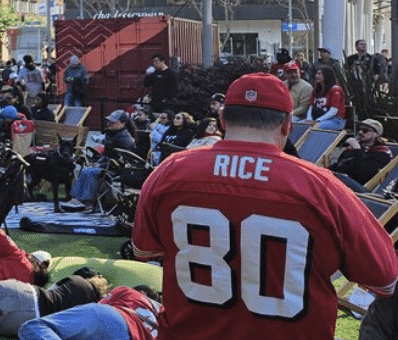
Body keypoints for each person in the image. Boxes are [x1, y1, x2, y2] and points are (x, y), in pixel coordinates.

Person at [133, 72, 398, 340]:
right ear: (287, 125)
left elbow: (145, 249)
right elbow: (384, 277)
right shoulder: (321, 188)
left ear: (223, 120)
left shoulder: (169, 173)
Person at [16, 285, 162, 340]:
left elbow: (100, 307)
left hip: (113, 317)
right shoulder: (164, 314)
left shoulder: (130, 292)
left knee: (33, 327)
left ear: (142, 292)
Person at [331, 118, 393, 191]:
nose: (360, 132)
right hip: (341, 181)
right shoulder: (356, 148)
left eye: (365, 131)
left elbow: (363, 175)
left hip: (358, 188)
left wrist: (357, 150)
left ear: (376, 134)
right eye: (359, 130)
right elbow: (340, 166)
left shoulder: (382, 153)